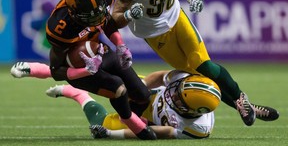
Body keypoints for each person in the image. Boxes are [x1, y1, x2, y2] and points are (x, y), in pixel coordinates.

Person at [111, 0, 279, 126]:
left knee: (202, 64)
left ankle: (240, 100)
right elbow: (114, 20)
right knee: (198, 75)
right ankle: (243, 103)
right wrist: (129, 15)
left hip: (177, 17)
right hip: (154, 33)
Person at [10, 0, 156, 140]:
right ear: (74, 13)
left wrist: (120, 45)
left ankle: (124, 118)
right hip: (76, 65)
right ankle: (132, 123)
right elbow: (57, 71)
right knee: (118, 89)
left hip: (98, 50)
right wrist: (86, 70)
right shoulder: (59, 27)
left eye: (98, 14)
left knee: (142, 95)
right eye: (90, 18)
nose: (96, 20)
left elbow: (107, 22)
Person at [46, 70, 221, 139]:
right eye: (176, 89)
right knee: (110, 79)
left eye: (177, 98)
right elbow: (160, 77)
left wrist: (110, 134)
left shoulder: (198, 128)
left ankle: (76, 93)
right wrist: (138, 91)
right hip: (150, 93)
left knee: (102, 124)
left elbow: (164, 132)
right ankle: (56, 72)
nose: (172, 93)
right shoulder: (185, 79)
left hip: (146, 119)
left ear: (191, 110)